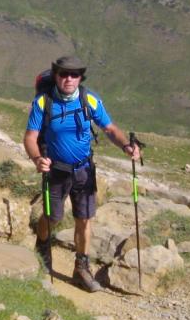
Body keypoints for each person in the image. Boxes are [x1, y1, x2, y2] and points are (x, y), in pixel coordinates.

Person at [23, 55, 140, 292]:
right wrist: (37, 159)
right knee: (52, 217)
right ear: (55, 75)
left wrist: (125, 146)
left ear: (80, 78)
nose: (68, 79)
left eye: (74, 75)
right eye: (63, 74)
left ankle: (81, 268)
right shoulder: (43, 103)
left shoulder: (90, 100)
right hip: (55, 171)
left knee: (84, 218)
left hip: (84, 170)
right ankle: (42, 249)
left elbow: (109, 128)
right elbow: (30, 137)